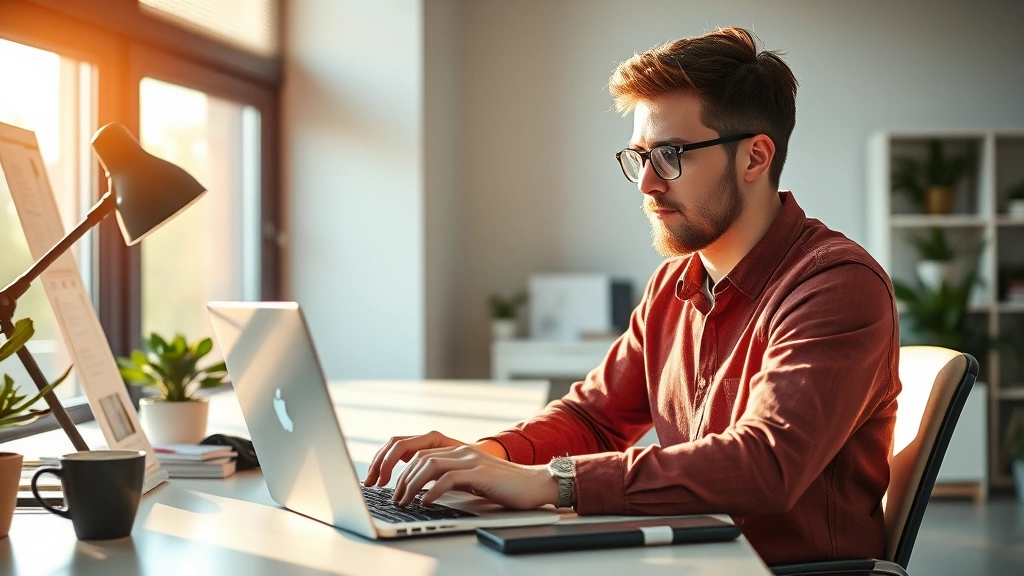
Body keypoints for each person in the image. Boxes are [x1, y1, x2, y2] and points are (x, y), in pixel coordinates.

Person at [363, 26, 900, 566]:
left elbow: (766, 464)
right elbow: (594, 418)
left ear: (755, 158)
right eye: (639, 156)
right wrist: (484, 458)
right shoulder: (674, 284)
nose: (646, 183)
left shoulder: (836, 285)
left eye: (669, 155)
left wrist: (554, 481)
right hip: (687, 556)